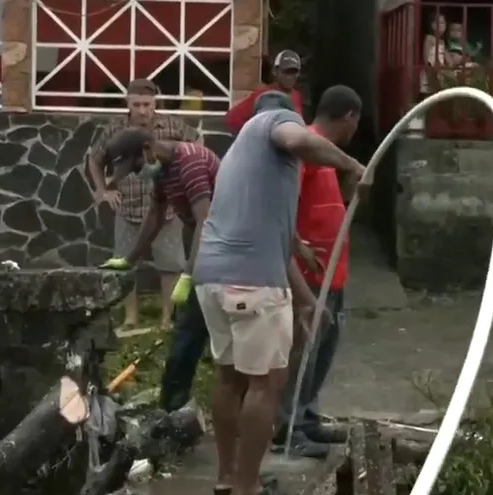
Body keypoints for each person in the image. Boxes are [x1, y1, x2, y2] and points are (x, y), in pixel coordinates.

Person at [192, 86, 367, 495]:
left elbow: (278, 241)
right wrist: (352, 164)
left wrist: (307, 302)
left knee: (230, 378)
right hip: (250, 282)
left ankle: (227, 479)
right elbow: (297, 139)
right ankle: (248, 485)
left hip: (213, 278)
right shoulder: (272, 124)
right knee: (266, 383)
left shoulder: (241, 158)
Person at [98, 128, 220, 412]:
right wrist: (129, 258)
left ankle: (180, 407)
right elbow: (155, 215)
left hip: (230, 248)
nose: (138, 173)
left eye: (137, 166)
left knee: (195, 328)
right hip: (213, 246)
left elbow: (206, 222)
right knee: (189, 329)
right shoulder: (164, 171)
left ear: (148, 148)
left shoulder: (189, 164)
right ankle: (173, 408)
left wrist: (188, 275)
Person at [270, 86, 363, 458]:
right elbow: (282, 208)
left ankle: (307, 418)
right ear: (350, 117)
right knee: (301, 351)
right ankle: (286, 427)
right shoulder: (308, 149)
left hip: (332, 271)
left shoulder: (327, 156)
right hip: (309, 275)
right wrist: (298, 247)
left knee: (322, 351)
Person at [87, 78, 200, 330]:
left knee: (170, 264)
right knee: (124, 264)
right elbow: (95, 159)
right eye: (136, 104)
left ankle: (166, 319)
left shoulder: (171, 126)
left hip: (166, 207)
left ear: (154, 103)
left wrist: (182, 182)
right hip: (127, 206)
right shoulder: (115, 129)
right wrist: (102, 191)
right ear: (127, 103)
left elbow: (197, 144)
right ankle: (130, 318)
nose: (141, 110)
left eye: (146, 104)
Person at [224, 49, 304, 134]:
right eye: (285, 72)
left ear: (298, 74)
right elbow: (232, 118)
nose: (289, 77)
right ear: (275, 71)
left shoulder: (296, 96)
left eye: (293, 73)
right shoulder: (264, 95)